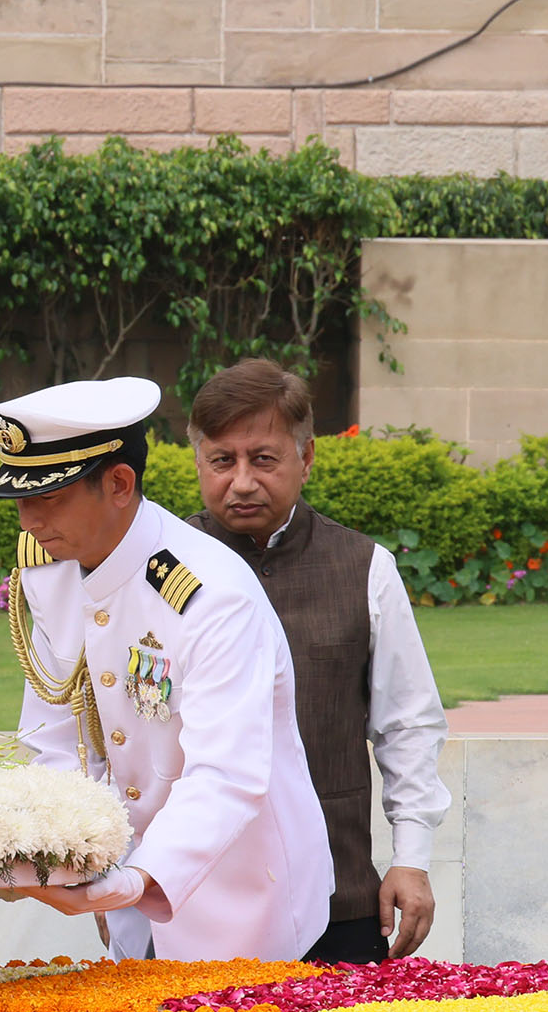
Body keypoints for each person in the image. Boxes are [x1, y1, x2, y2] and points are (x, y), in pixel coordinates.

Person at [0, 376, 333, 961]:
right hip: (124, 894)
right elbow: (50, 737)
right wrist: (45, 851)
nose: (28, 522)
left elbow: (226, 775)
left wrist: (135, 879)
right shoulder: (51, 576)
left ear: (119, 484)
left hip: (240, 903)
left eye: (47, 499)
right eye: (20, 501)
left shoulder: (209, 594)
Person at [186, 361, 451, 961]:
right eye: (222, 460)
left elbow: (407, 725)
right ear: (198, 463)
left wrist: (411, 859)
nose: (243, 482)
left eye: (264, 458)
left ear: (307, 458)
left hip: (339, 900)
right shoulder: (158, 573)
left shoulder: (364, 568)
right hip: (190, 902)